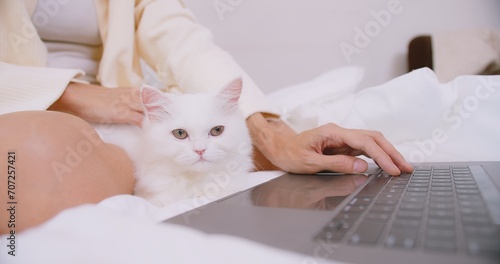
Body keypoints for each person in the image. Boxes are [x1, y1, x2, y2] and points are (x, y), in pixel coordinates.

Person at [0, 0, 413, 234]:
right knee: (34, 156)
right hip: (23, 102)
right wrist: (72, 95)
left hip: (123, 109)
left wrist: (273, 136)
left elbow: (185, 43)